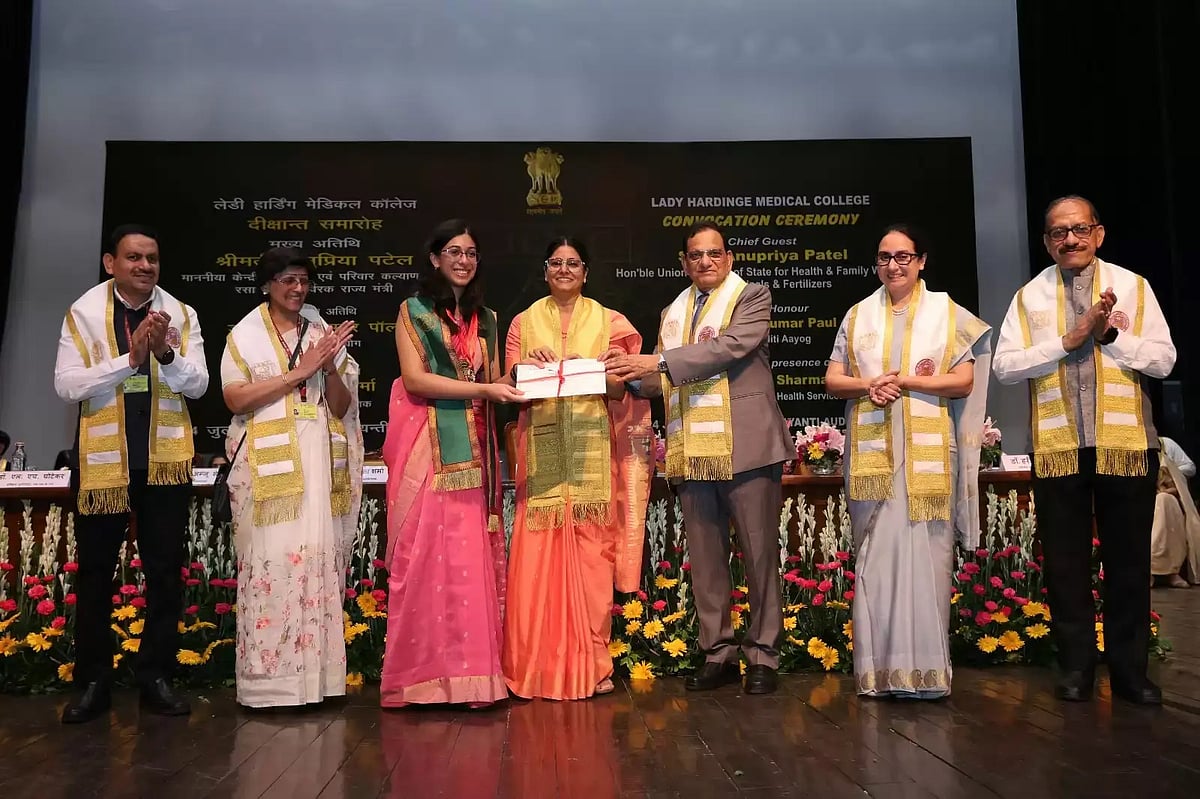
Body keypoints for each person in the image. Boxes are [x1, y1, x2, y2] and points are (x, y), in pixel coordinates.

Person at [994, 195, 1176, 705]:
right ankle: (1075, 670)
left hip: (1124, 445)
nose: (1069, 239)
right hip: (1059, 448)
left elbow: (1163, 360)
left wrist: (1110, 334)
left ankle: (1130, 674)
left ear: (1099, 233)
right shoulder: (1028, 297)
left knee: (1129, 564)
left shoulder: (1134, 287)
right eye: (1057, 232)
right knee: (1065, 566)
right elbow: (1005, 367)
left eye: (1079, 229)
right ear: (1046, 241)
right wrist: (1068, 339)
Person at [604, 221, 793, 694]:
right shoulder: (674, 311)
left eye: (714, 254)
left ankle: (763, 655)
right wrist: (620, 372)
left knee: (758, 553)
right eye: (695, 255)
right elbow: (657, 379)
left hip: (747, 447)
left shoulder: (753, 297)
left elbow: (728, 349)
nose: (705, 262)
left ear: (728, 259)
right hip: (694, 450)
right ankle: (719, 653)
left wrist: (657, 362)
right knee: (706, 560)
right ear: (684, 262)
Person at [825, 224, 992, 699]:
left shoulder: (947, 311)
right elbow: (834, 378)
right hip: (874, 458)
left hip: (927, 458)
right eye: (883, 257)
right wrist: (869, 385)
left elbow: (963, 380)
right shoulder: (858, 315)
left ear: (921, 261)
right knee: (878, 562)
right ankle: (879, 676)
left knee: (926, 561)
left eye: (902, 256)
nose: (893, 265)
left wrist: (907, 384)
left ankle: (927, 677)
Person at [53, 224, 209, 723]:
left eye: (153, 258)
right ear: (110, 263)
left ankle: (155, 677)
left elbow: (200, 384)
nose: (145, 266)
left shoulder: (180, 313)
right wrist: (130, 359)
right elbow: (67, 385)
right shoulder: (84, 312)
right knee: (96, 573)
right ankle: (94, 681)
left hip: (163, 464)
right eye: (134, 258)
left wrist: (164, 353)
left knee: (165, 572)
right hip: (104, 467)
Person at [502, 236, 654, 700]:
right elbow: (512, 387)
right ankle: (532, 667)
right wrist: (529, 367)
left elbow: (622, 390)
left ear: (586, 272)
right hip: (543, 466)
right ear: (545, 270)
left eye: (573, 263)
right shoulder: (522, 323)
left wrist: (591, 370)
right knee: (535, 565)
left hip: (592, 463)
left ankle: (592, 666)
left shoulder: (611, 322)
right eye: (556, 263)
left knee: (591, 566)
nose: (564, 269)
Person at [380, 219, 524, 708]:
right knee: (424, 560)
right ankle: (421, 679)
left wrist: (527, 369)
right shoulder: (413, 312)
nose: (464, 260)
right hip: (427, 449)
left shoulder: (487, 318)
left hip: (475, 451)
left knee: (466, 560)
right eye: (454, 251)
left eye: (472, 252)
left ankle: (471, 679)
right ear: (435, 258)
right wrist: (484, 388)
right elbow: (416, 381)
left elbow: (498, 381)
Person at [220, 247, 362, 708]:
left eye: (303, 280)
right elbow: (236, 399)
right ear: (267, 284)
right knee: (272, 560)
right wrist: (297, 373)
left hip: (315, 461)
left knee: (316, 561)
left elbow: (339, 407)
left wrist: (325, 368)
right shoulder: (244, 335)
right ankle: (269, 686)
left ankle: (317, 682)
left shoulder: (320, 332)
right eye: (286, 280)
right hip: (264, 474)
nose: (297, 289)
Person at [1151, 435, 1198, 588]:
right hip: (1142, 497)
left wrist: (1170, 471)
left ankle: (1171, 572)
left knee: (1164, 502)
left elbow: (1190, 467)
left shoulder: (1166, 444)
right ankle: (1150, 570)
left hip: (1171, 495)